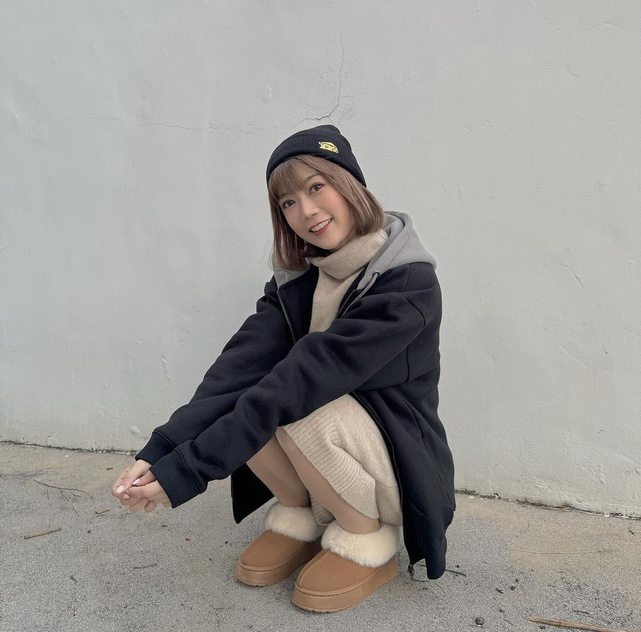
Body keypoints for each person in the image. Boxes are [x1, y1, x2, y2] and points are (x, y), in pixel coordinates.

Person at [112, 124, 455, 612]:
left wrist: (189, 472)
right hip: (333, 448)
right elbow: (236, 370)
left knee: (293, 407)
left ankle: (366, 537)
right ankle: (301, 517)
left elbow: (305, 378)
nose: (306, 210)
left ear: (350, 185)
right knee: (256, 392)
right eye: (288, 202)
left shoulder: (406, 285)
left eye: (317, 187)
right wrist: (162, 451)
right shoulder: (299, 279)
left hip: (396, 463)